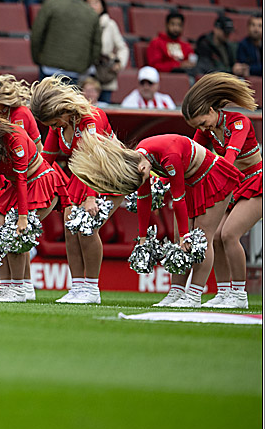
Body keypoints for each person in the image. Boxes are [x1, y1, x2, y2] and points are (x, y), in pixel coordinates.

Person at [70, 131, 241, 308]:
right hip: (191, 182)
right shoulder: (139, 159)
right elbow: (144, 200)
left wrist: (185, 235)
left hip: (213, 178)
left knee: (200, 237)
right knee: (178, 239)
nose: (147, 180)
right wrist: (142, 237)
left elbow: (178, 199)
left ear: (143, 170)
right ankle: (177, 291)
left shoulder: (169, 157)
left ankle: (194, 295)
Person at [30, 75, 115, 304]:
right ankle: (78, 287)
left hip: (106, 173)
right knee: (70, 229)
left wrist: (90, 198)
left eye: (55, 123)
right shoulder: (59, 126)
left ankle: (92, 289)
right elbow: (45, 161)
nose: (55, 128)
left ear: (64, 111)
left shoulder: (91, 118)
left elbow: (94, 158)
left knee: (86, 228)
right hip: (80, 174)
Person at [183, 73, 262, 310]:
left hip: (256, 181)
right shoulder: (206, 130)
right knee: (215, 237)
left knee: (229, 235)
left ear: (210, 109)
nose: (202, 128)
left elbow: (229, 159)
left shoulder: (239, 122)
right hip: (232, 185)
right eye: (197, 126)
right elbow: (192, 151)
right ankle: (224, 292)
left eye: (202, 122)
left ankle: (239, 294)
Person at [30, 0, 100, 85]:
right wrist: (84, 65)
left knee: (47, 102)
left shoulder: (51, 4)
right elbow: (96, 46)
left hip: (48, 69)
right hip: (76, 71)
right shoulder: (91, 12)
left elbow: (37, 35)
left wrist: (38, 59)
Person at [85, 0, 128, 104]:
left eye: (95, 3)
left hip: (104, 74)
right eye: (88, 3)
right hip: (85, 76)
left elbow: (122, 47)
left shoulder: (110, 24)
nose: (92, 6)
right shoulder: (80, 24)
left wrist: (119, 64)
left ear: (102, 6)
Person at [147, 10, 198, 75]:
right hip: (165, 77)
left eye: (179, 25)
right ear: (166, 25)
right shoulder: (156, 43)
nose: (176, 28)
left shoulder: (186, 46)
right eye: (173, 24)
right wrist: (178, 65)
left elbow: (192, 63)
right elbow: (155, 66)